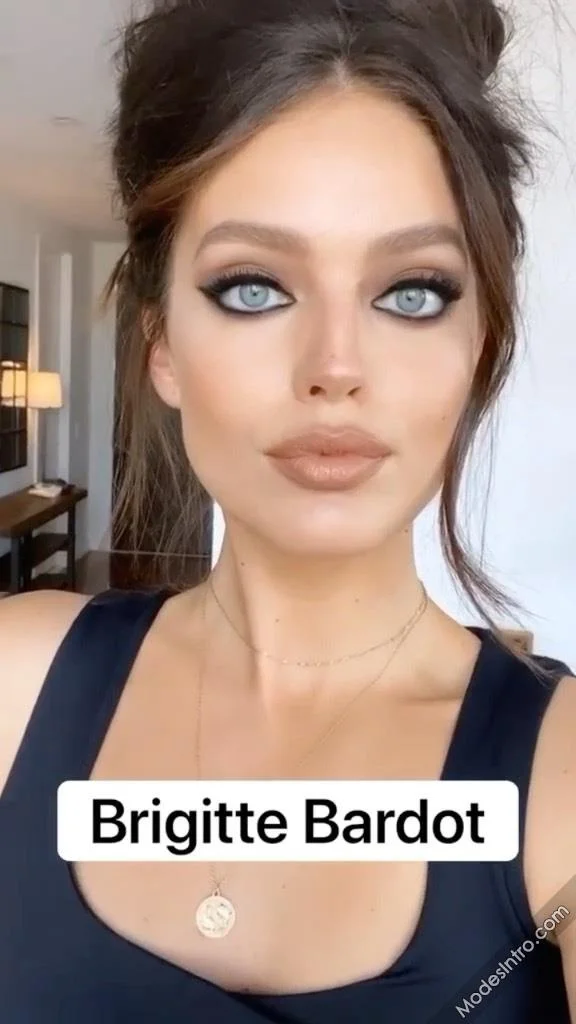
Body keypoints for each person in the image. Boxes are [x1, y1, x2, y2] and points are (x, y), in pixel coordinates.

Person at [0, 0, 574, 1020]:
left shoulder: (561, 778)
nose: (335, 368)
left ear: (479, 344)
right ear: (161, 345)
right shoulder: (15, 679)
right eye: (254, 287)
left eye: (412, 292)